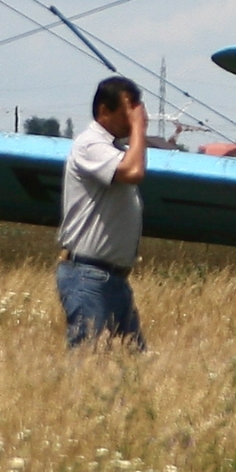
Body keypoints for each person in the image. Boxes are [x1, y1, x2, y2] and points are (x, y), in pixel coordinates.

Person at [56, 75, 150, 349]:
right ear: (103, 111)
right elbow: (133, 172)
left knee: (131, 362)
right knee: (88, 357)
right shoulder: (90, 145)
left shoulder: (113, 149)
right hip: (88, 275)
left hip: (113, 277)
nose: (131, 120)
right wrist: (138, 129)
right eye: (126, 114)